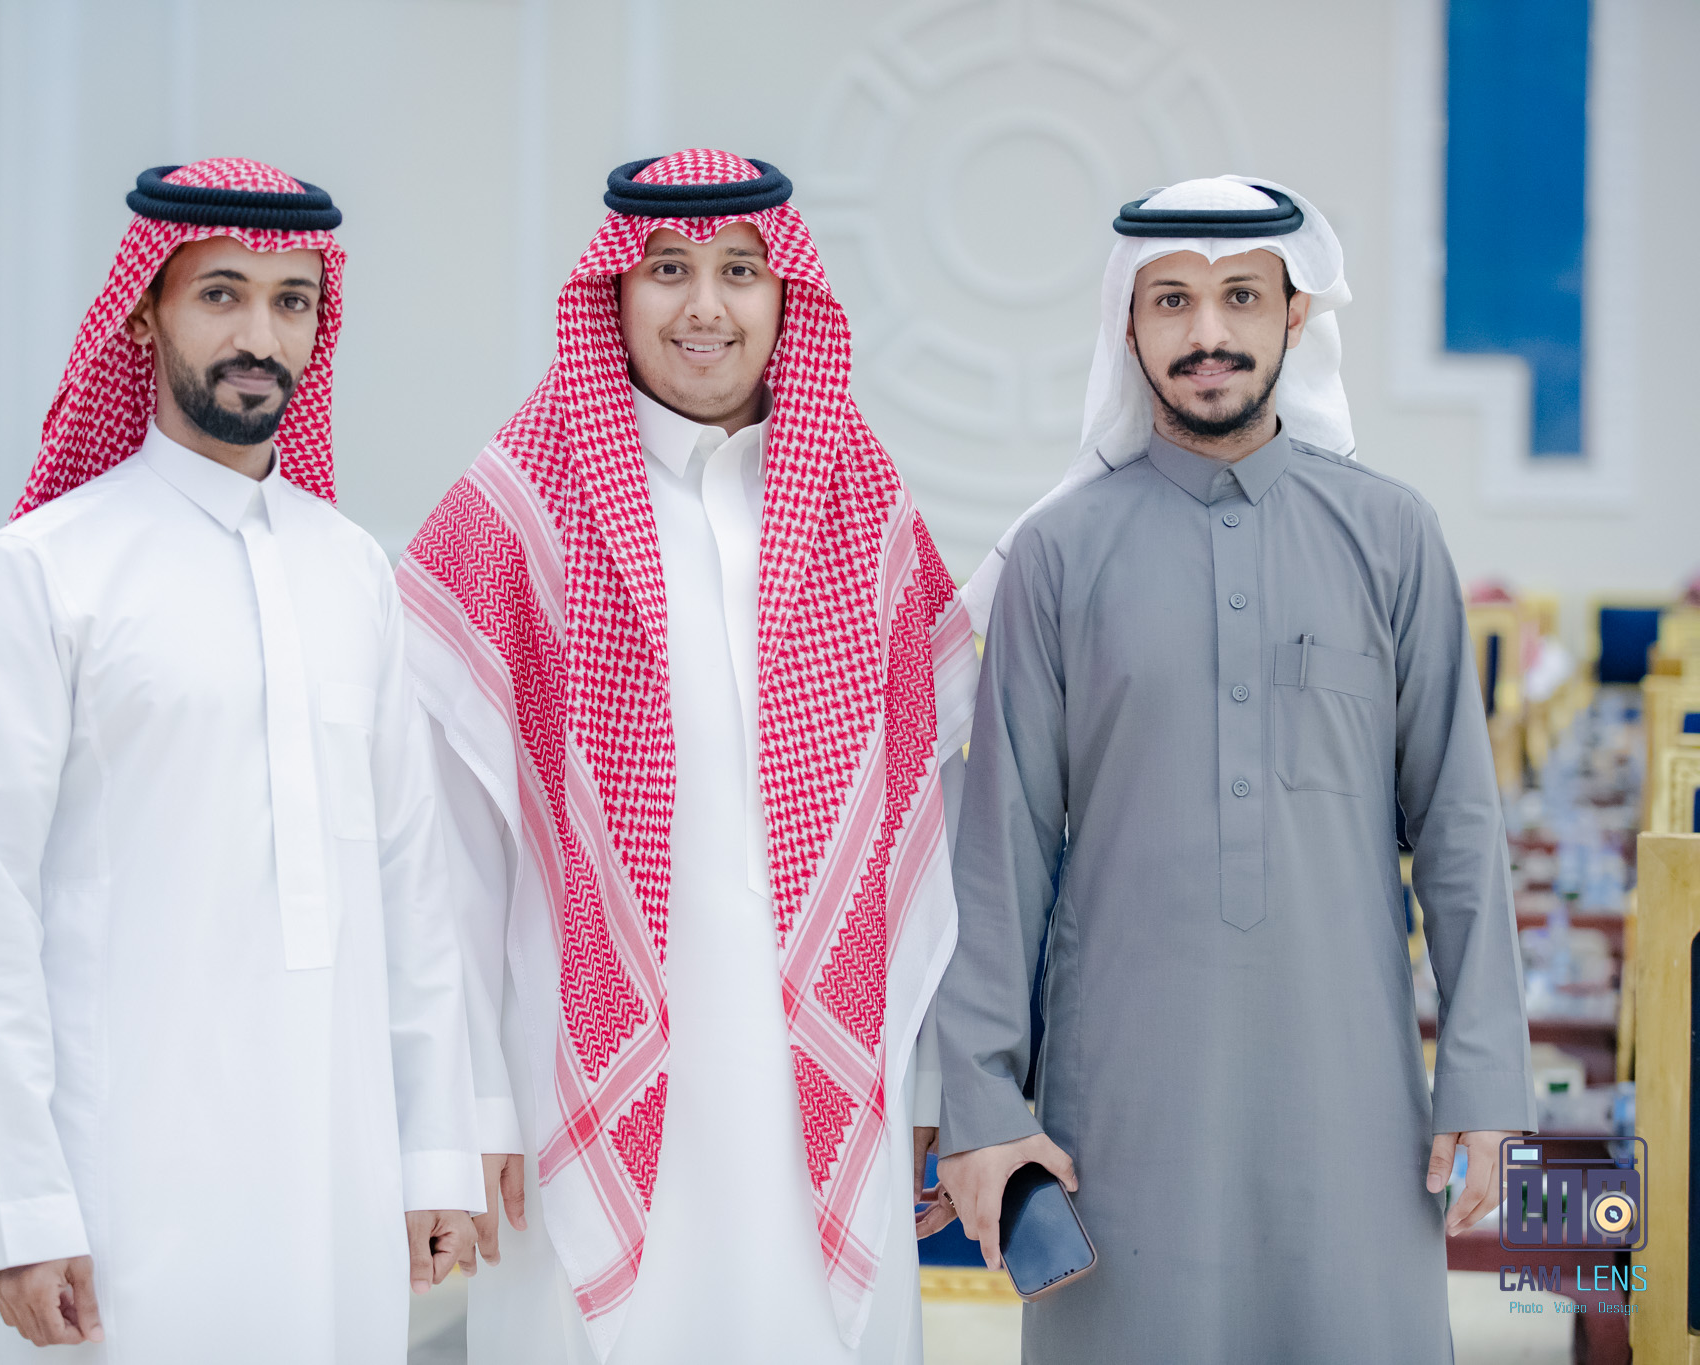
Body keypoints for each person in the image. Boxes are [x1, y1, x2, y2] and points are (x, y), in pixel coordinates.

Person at [935, 176, 1536, 1363]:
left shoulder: (1391, 537)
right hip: (1118, 1113)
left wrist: (1482, 1076)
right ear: (1127, 325)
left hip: (1353, 1097)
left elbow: (1459, 829)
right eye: (1170, 300)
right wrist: (982, 1103)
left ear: (1294, 316)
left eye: (1240, 298)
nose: (1205, 332)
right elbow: (998, 852)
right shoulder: (1057, 557)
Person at [398, 149, 977, 1362]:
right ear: (613, 288)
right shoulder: (514, 511)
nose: (703, 305)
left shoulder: (857, 500)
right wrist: (472, 1100)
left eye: (738, 272)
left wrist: (929, 1089)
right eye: (666, 269)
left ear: (785, 295)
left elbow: (923, 822)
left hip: (827, 1077)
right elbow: (446, 846)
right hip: (570, 1069)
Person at [0, 158, 484, 1363]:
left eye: (292, 302)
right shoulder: (38, 573)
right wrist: (23, 1208)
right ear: (145, 312)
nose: (259, 336)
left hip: (335, 1165)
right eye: (221, 294)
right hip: (121, 1177)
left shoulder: (353, 570)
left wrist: (435, 1149)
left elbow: (412, 889)